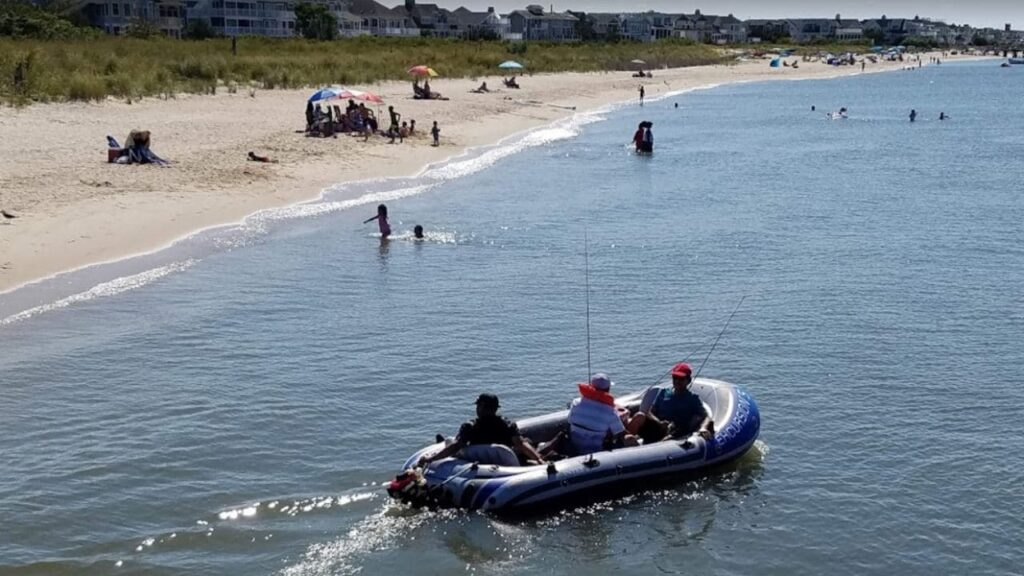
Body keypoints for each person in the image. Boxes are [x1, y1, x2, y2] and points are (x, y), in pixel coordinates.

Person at [418, 393, 544, 466]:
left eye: (478, 405)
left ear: (482, 407)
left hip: (479, 463)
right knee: (527, 442)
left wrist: (431, 459)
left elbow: (456, 446)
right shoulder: (507, 425)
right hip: (505, 462)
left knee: (450, 441)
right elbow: (520, 444)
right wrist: (539, 459)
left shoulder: (470, 427)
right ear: (495, 408)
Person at [637, 362, 714, 444]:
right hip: (660, 426)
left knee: (675, 431)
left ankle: (658, 446)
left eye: (681, 378)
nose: (677, 381)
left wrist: (703, 427)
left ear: (688, 380)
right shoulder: (663, 393)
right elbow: (650, 412)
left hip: (678, 430)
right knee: (646, 425)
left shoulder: (692, 398)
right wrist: (659, 422)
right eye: (675, 377)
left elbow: (706, 416)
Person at [567, 374, 640, 455]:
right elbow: (620, 433)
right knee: (628, 435)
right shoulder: (609, 411)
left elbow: (570, 421)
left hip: (573, 448)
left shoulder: (575, 402)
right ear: (608, 389)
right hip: (596, 452)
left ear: (591, 386)